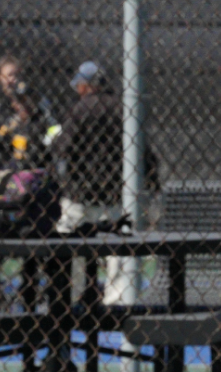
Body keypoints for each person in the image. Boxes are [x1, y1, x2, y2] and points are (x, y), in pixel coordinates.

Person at [49, 61, 155, 306]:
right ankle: (117, 299)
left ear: (88, 86)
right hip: (115, 192)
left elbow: (62, 147)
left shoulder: (80, 109)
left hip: (80, 192)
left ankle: (71, 295)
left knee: (69, 241)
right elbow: (144, 151)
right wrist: (151, 182)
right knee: (117, 248)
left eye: (81, 84)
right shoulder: (123, 109)